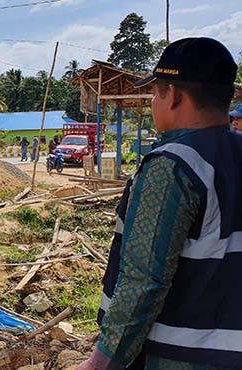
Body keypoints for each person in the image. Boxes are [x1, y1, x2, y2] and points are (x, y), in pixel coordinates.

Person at [77, 37, 241, 370]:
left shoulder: (173, 165)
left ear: (175, 95)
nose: (152, 102)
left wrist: (101, 361)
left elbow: (143, 280)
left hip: (179, 356)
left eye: (155, 93)